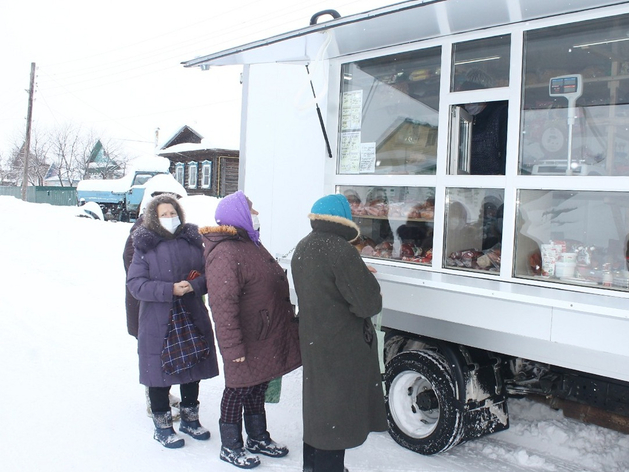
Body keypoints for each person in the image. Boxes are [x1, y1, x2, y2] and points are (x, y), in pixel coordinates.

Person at [200, 190, 301, 469]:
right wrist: (233, 349)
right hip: (244, 337)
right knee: (237, 389)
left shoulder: (250, 242)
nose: (256, 214)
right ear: (239, 215)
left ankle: (257, 437)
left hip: (262, 334)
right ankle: (230, 445)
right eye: (251, 209)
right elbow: (222, 305)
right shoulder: (225, 251)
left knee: (258, 385)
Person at [291, 194, 388, 472]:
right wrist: (366, 279)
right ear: (345, 219)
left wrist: (354, 271)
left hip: (314, 341)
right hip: (341, 347)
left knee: (319, 410)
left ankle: (312, 466)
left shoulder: (304, 246)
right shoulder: (341, 250)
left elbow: (323, 283)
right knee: (337, 414)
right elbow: (368, 303)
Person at [126, 193, 219, 449]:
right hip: (158, 318)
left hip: (190, 313)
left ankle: (190, 420)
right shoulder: (144, 246)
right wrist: (169, 290)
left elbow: (209, 275)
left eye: (173, 213)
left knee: (192, 368)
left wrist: (192, 285)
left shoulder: (192, 242)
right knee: (157, 373)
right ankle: (163, 426)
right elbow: (135, 285)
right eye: (164, 214)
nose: (169, 218)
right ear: (153, 218)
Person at [123, 188, 185, 418]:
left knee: (166, 353)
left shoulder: (173, 232)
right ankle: (154, 400)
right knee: (152, 356)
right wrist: (166, 284)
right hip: (147, 307)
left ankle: (164, 394)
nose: (171, 213)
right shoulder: (141, 233)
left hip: (166, 302)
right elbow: (135, 273)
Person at [458, 69, 508, 175]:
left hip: (494, 182)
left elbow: (507, 151)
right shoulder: (460, 117)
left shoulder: (501, 114)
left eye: (472, 98)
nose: (468, 104)